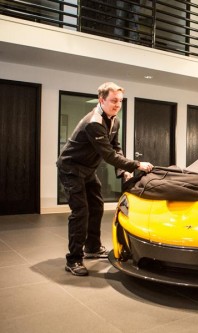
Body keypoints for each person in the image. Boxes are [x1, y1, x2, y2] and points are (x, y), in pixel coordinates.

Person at [57, 82, 154, 277]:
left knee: (97, 205)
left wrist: (123, 171)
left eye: (120, 101)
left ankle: (91, 247)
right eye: (113, 101)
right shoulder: (94, 122)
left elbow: (115, 147)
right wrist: (135, 165)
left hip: (88, 169)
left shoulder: (114, 120)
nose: (117, 104)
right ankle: (73, 259)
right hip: (71, 169)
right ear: (101, 100)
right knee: (80, 212)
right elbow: (108, 155)